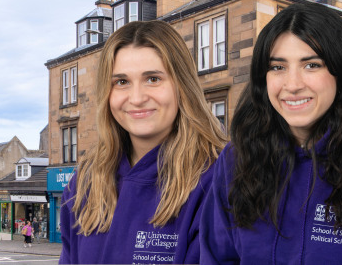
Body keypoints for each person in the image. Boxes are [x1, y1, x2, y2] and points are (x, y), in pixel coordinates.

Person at [199, 3, 342, 264]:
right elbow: (215, 257)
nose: (293, 85)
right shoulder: (236, 160)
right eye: (278, 67)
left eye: (311, 65)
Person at [58, 20, 227, 264]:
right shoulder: (84, 183)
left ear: (182, 86)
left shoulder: (218, 179)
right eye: (122, 82)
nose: (136, 98)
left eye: (153, 79)